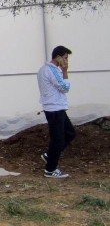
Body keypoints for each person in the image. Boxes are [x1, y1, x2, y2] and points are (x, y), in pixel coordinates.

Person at [37, 45, 75, 179]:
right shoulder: (51, 70)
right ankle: (50, 170)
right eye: (65, 58)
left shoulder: (44, 69)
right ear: (58, 57)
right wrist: (65, 71)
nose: (66, 61)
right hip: (54, 109)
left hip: (56, 108)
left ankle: (49, 155)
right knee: (57, 140)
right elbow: (64, 87)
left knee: (70, 133)